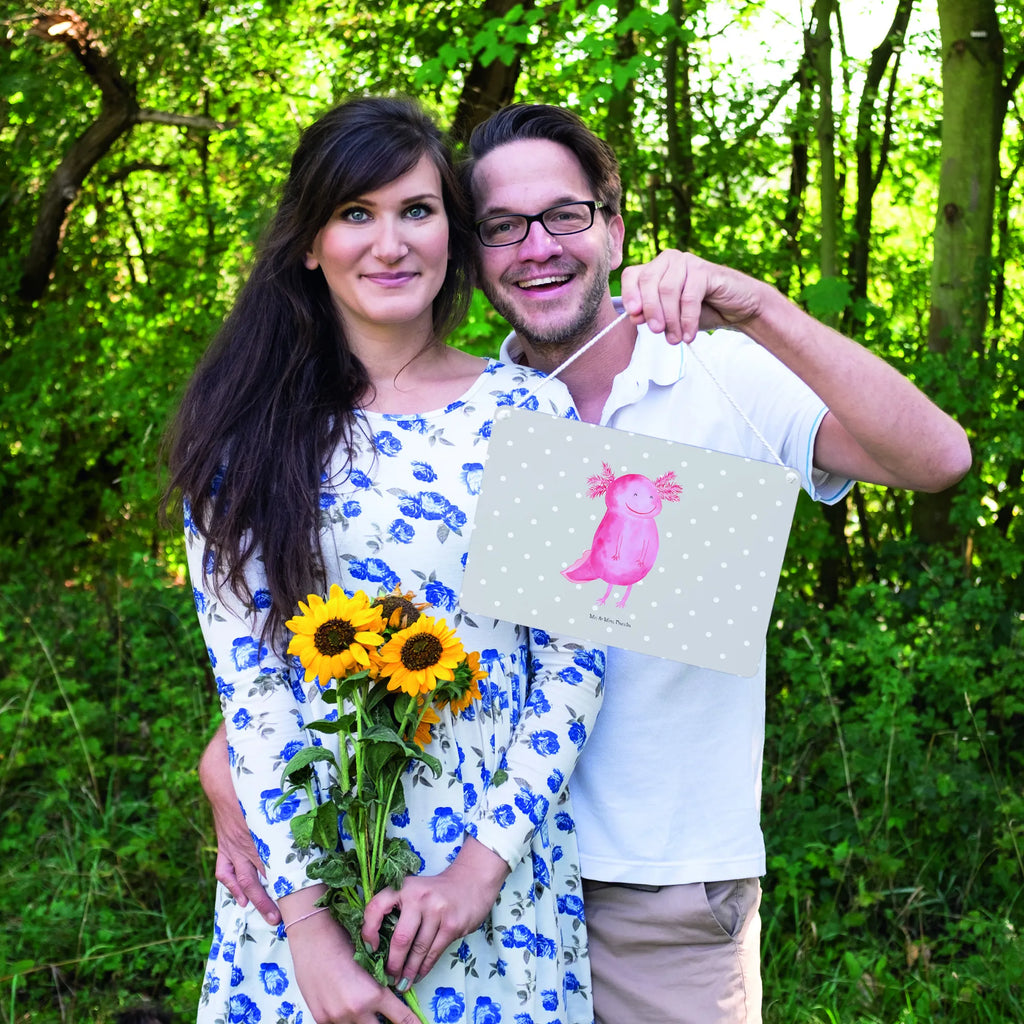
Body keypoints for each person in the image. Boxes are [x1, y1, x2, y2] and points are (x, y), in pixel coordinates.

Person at [202, 102, 972, 1024]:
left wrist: (760, 306)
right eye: (501, 227)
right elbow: (336, 634)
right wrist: (234, 769)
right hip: (435, 878)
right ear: (474, 250)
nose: (537, 247)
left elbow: (938, 461)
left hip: (655, 887)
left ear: (612, 226)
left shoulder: (712, 374)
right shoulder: (464, 415)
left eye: (565, 215)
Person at [165, 97, 609, 1024]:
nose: (390, 242)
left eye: (416, 210)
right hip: (302, 890)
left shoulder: (531, 413)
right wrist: (312, 937)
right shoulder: (243, 438)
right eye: (355, 214)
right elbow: (252, 692)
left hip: (492, 890)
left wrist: (477, 873)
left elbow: (573, 665)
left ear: (452, 228)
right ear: (308, 244)